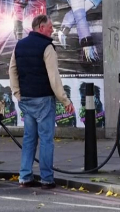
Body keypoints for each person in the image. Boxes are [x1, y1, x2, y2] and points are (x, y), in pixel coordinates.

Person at [8, 14, 74, 189]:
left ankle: (25, 176)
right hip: (43, 99)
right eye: (50, 26)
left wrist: (17, 93)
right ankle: (46, 178)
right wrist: (65, 100)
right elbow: (54, 77)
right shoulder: (47, 47)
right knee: (46, 139)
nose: (52, 29)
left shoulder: (19, 46)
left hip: (26, 99)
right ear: (40, 27)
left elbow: (12, 70)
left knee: (29, 138)